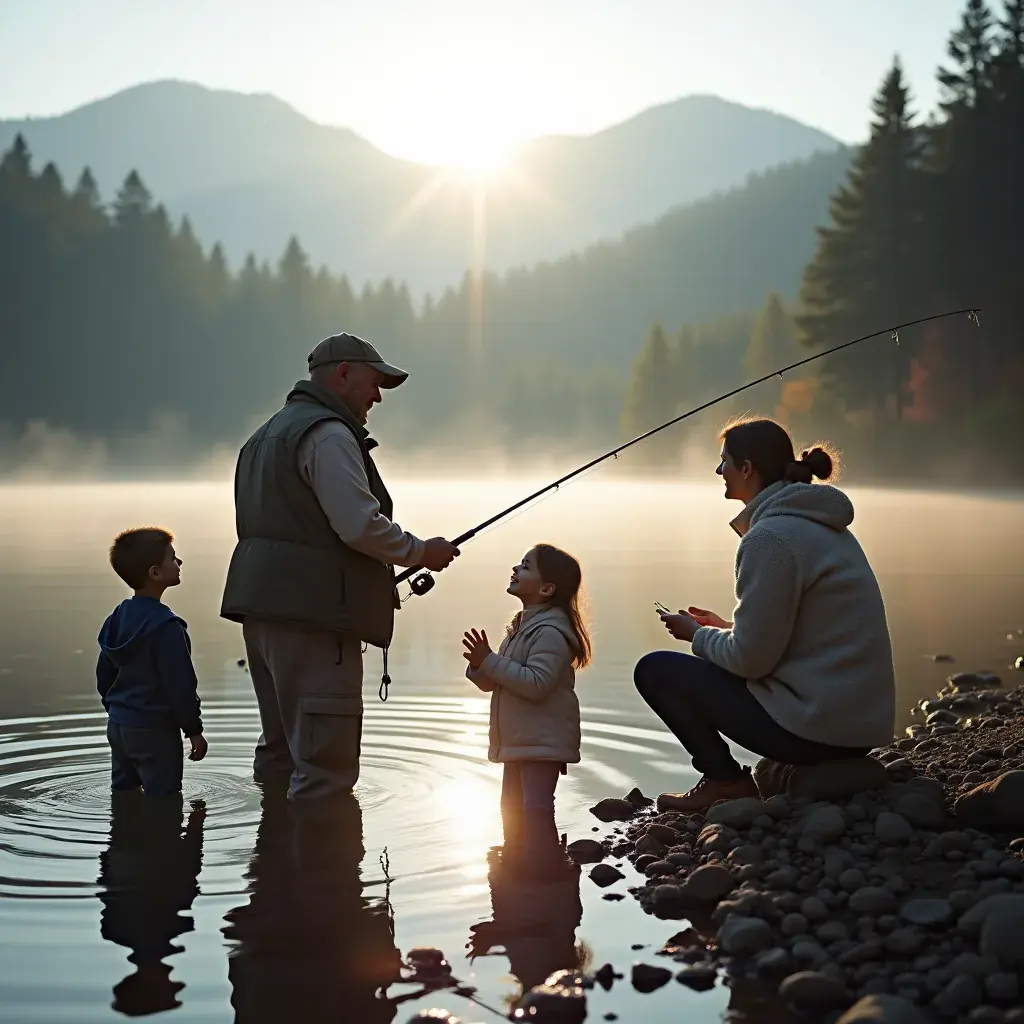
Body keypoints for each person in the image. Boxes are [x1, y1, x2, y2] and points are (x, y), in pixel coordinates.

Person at [220, 332, 460, 802]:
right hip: (315, 622)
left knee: (281, 754)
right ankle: (326, 872)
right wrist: (420, 552)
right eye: (374, 384)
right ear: (343, 373)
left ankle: (273, 867)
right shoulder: (328, 434)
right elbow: (359, 526)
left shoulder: (262, 436)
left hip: (263, 614)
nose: (377, 397)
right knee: (324, 770)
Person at [634, 417, 896, 813]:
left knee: (655, 671)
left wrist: (695, 636)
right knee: (695, 661)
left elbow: (752, 660)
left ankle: (725, 780)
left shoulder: (770, 538)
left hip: (818, 729)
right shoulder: (823, 527)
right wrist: (727, 629)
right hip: (856, 726)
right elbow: (805, 634)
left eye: (724, 462)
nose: (719, 471)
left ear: (746, 469)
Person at [462, 543, 591, 878]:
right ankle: (513, 877)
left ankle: (541, 875)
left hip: (540, 745)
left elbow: (536, 683)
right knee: (511, 811)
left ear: (546, 589)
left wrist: (489, 660)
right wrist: (480, 667)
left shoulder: (550, 632)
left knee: (534, 811)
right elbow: (498, 681)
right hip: (518, 743)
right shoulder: (521, 626)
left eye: (526, 566)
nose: (516, 569)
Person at [97, 528, 208, 797]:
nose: (179, 562)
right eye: (172, 558)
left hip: (119, 726)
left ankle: (122, 837)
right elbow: (180, 685)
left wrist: (117, 709)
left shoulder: (117, 617)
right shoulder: (167, 627)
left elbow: (104, 674)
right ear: (155, 573)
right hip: (155, 731)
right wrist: (194, 731)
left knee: (124, 794)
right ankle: (167, 838)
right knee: (165, 800)